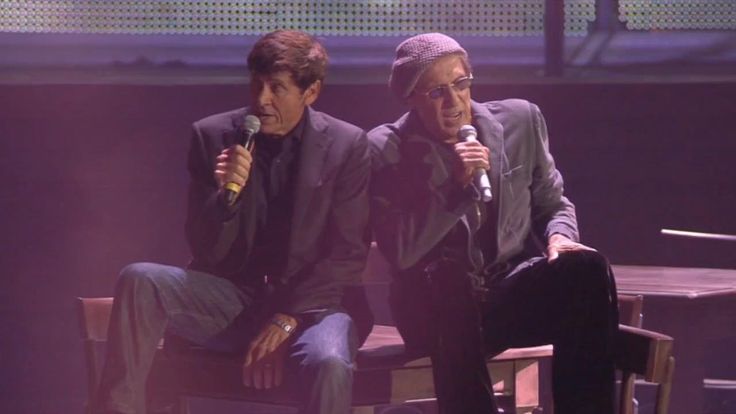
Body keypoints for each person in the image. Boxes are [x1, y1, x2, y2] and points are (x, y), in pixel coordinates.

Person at [94, 30, 373, 414]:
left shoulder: (347, 145)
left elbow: (347, 254)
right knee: (139, 279)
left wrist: (286, 318)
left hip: (314, 308)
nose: (262, 100)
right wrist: (228, 197)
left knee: (329, 362)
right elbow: (206, 251)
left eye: (277, 88)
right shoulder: (214, 137)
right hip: (235, 301)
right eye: (257, 84)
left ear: (311, 92)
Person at [368, 33, 618, 414]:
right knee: (448, 276)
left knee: (587, 268)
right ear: (410, 98)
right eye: (436, 92)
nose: (454, 102)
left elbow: (553, 203)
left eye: (460, 84)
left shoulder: (520, 121)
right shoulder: (385, 149)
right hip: (434, 311)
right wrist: (455, 189)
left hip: (503, 295)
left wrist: (560, 236)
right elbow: (401, 251)